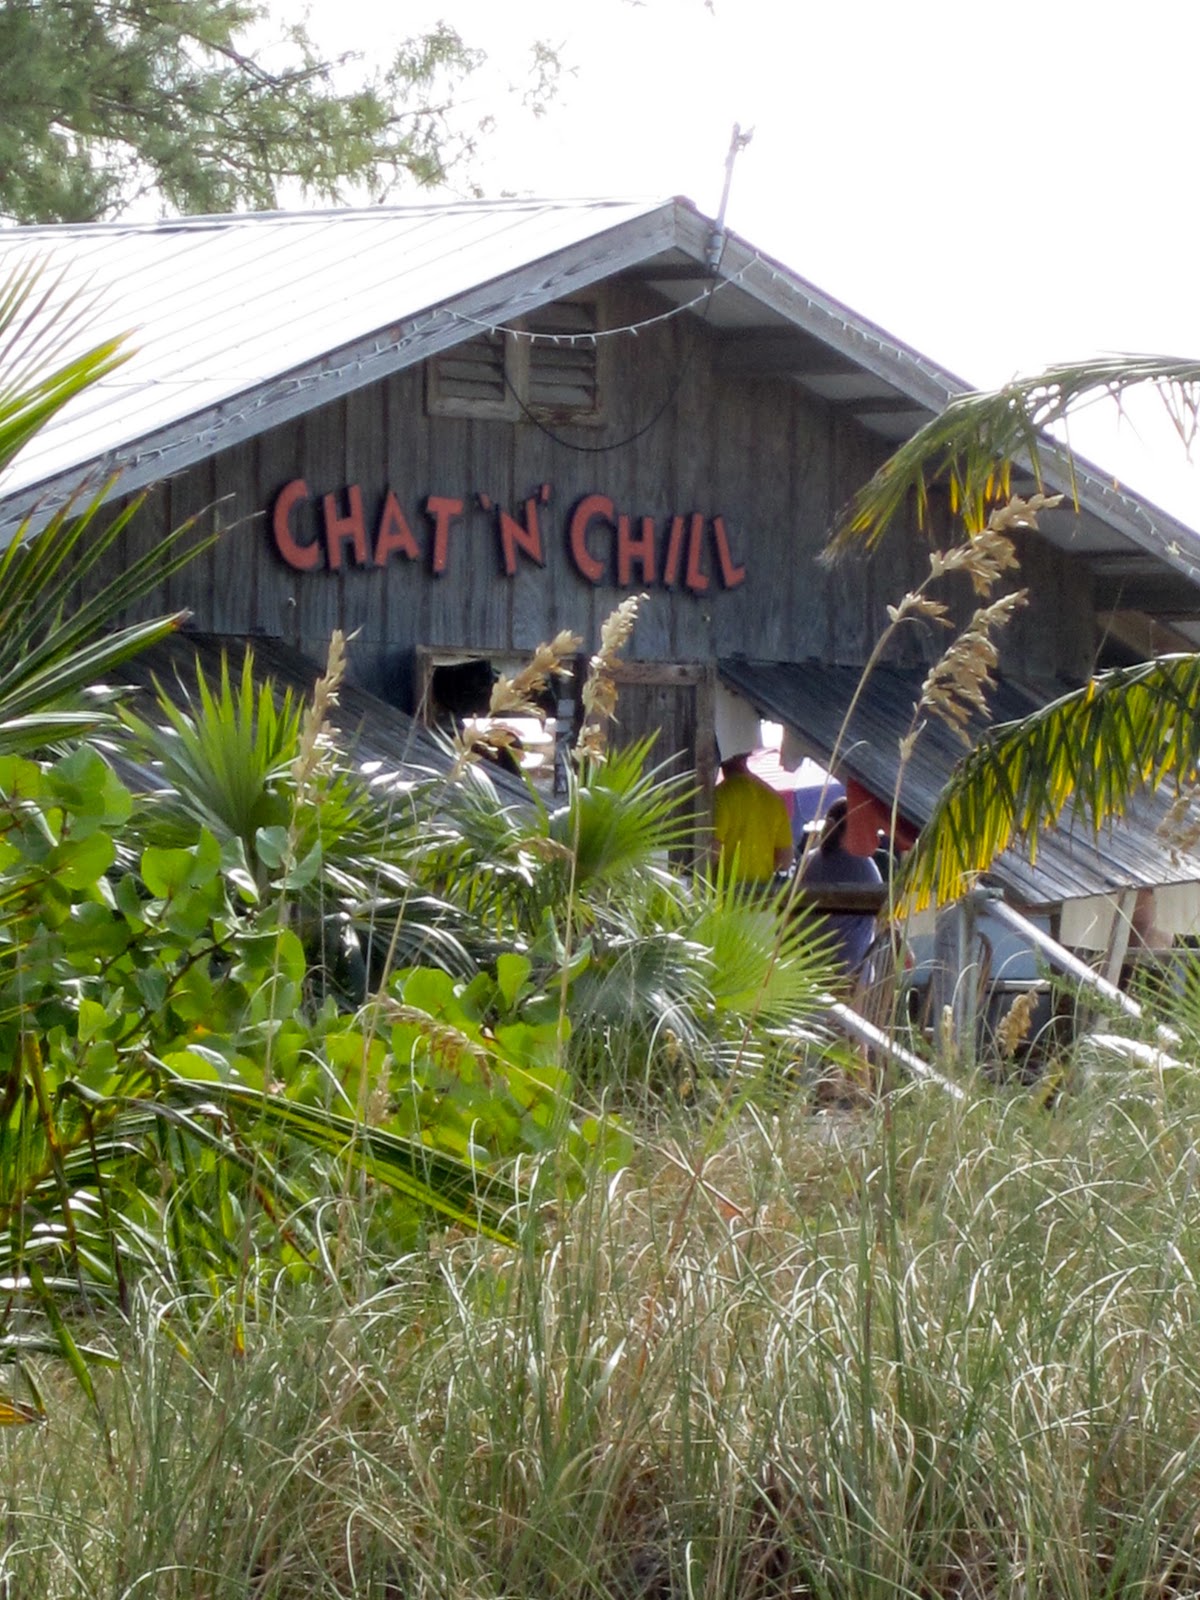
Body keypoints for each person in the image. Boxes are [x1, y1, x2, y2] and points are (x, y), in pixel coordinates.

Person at [799, 798, 882, 973]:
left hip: (812, 967)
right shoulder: (863, 865)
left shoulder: (807, 862)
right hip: (853, 971)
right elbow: (885, 911)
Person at [711, 751, 793, 886]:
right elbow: (785, 861)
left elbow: (711, 854)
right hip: (761, 892)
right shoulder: (773, 797)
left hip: (725, 892)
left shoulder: (720, 796)